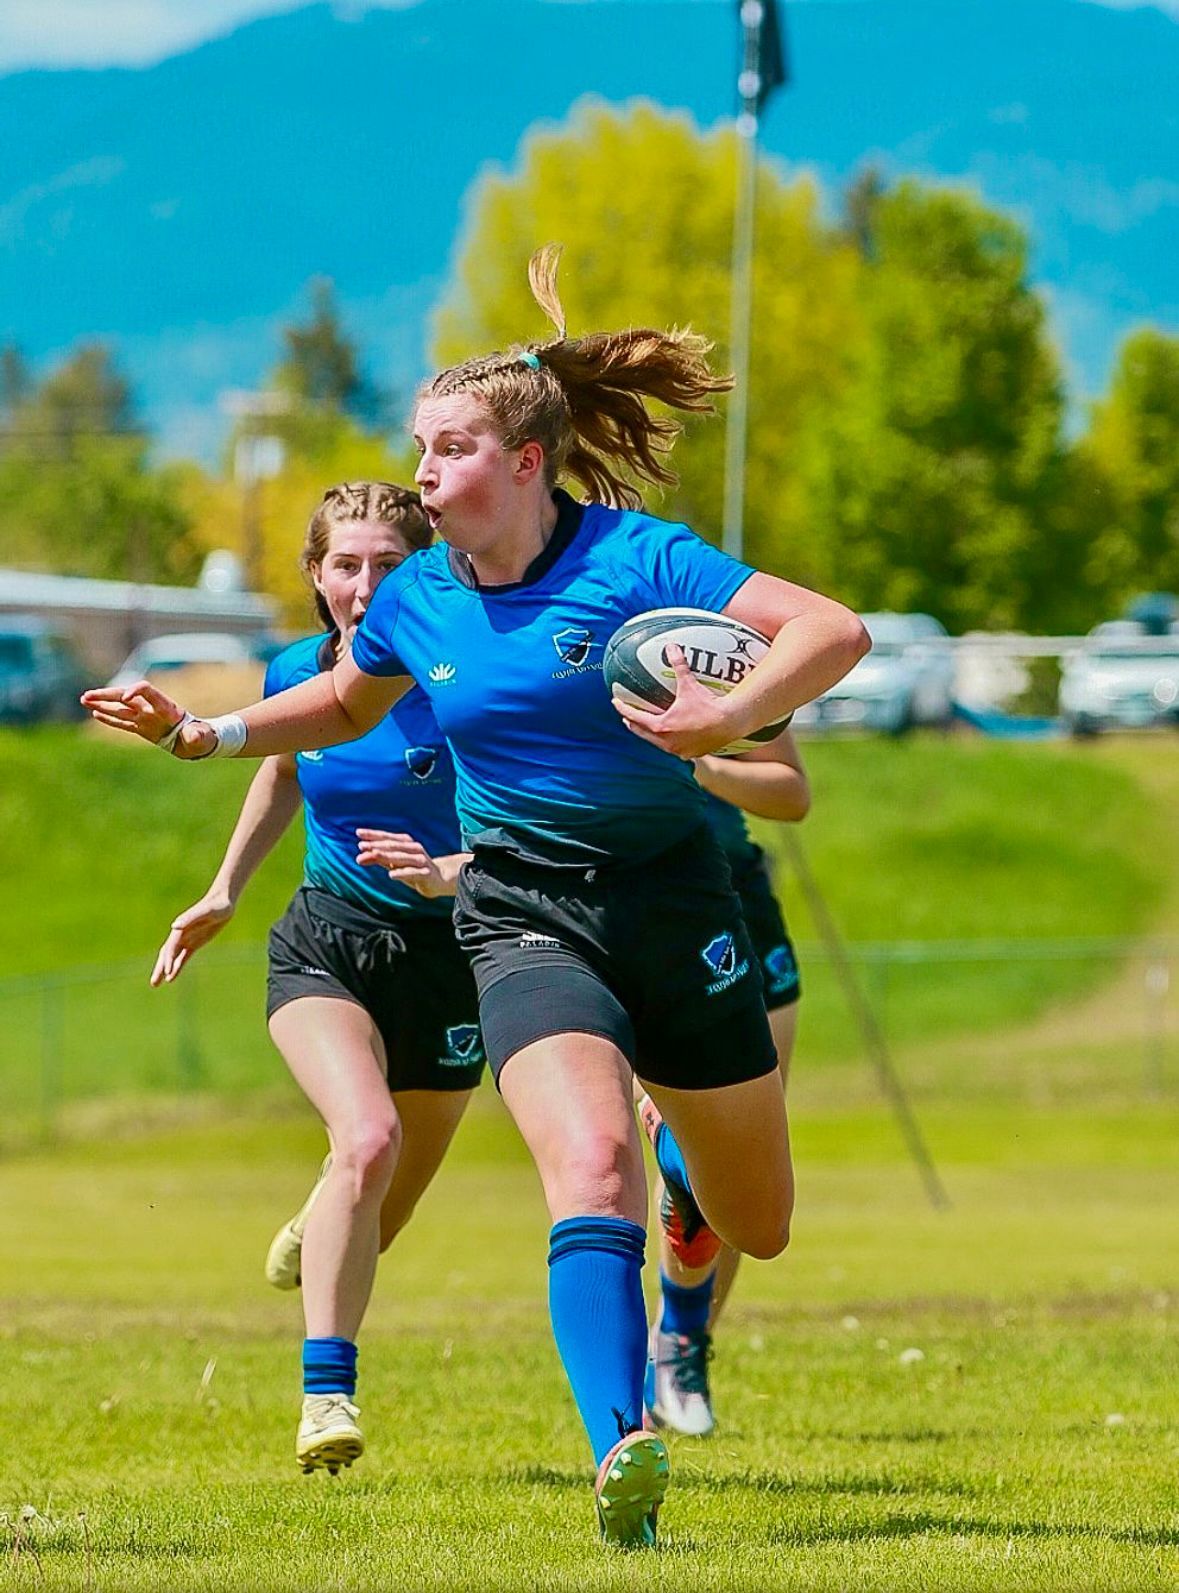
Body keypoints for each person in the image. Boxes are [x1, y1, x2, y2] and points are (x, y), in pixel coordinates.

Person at [83, 246, 869, 1549]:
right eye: (417, 448)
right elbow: (342, 700)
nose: (423, 471)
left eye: (444, 450)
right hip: (519, 914)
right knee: (592, 1163)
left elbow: (830, 629)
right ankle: (622, 1448)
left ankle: (689, 1229)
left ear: (520, 463)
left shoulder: (637, 562)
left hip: (676, 910)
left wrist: (723, 717)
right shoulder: (418, 597)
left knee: (756, 1224)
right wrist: (204, 734)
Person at [147, 482, 484, 1476]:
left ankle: (322, 1210)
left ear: (426, 570)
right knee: (367, 1138)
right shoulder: (300, 671)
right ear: (316, 575)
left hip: (453, 959)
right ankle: (325, 1396)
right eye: (348, 564)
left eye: (391, 563)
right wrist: (223, 891)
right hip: (327, 945)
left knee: (384, 1199)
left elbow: (537, 814)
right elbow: (283, 765)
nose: (367, 583)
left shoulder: (471, 678)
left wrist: (459, 874)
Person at [643, 731, 809, 1438]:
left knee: (744, 1162)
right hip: (625, 897)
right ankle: (656, 1350)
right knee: (668, 1139)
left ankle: (681, 1352)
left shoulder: (709, 646)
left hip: (735, 898)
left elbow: (789, 792)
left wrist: (704, 764)